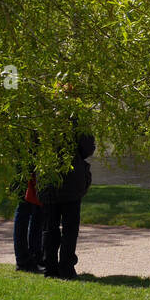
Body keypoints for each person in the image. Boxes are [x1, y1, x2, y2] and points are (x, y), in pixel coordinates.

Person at [40, 119, 95, 279]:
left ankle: (50, 268)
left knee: (50, 227)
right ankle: (66, 267)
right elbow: (87, 149)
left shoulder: (43, 118)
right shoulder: (77, 120)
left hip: (48, 178)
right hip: (71, 181)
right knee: (70, 228)